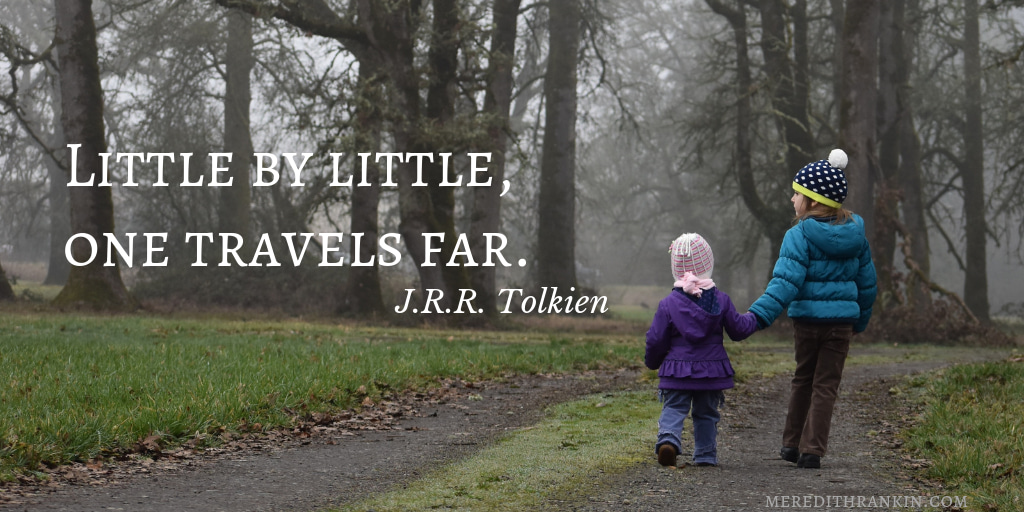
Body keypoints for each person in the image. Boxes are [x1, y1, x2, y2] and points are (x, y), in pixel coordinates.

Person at [748, 149, 877, 469]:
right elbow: (867, 284)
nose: (793, 198)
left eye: (798, 193)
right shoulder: (857, 236)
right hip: (841, 324)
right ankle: (813, 450)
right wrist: (859, 321)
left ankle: (791, 444)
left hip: (807, 322)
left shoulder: (798, 235)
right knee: (826, 386)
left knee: (803, 379)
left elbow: (784, 283)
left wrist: (757, 316)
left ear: (815, 201)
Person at [645, 233, 758, 467]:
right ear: (708, 264)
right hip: (711, 370)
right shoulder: (721, 300)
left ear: (676, 268)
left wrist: (652, 361)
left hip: (677, 369)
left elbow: (656, 339)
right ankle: (705, 454)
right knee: (706, 413)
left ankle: (668, 440)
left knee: (674, 407)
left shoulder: (668, 304)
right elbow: (737, 329)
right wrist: (756, 317)